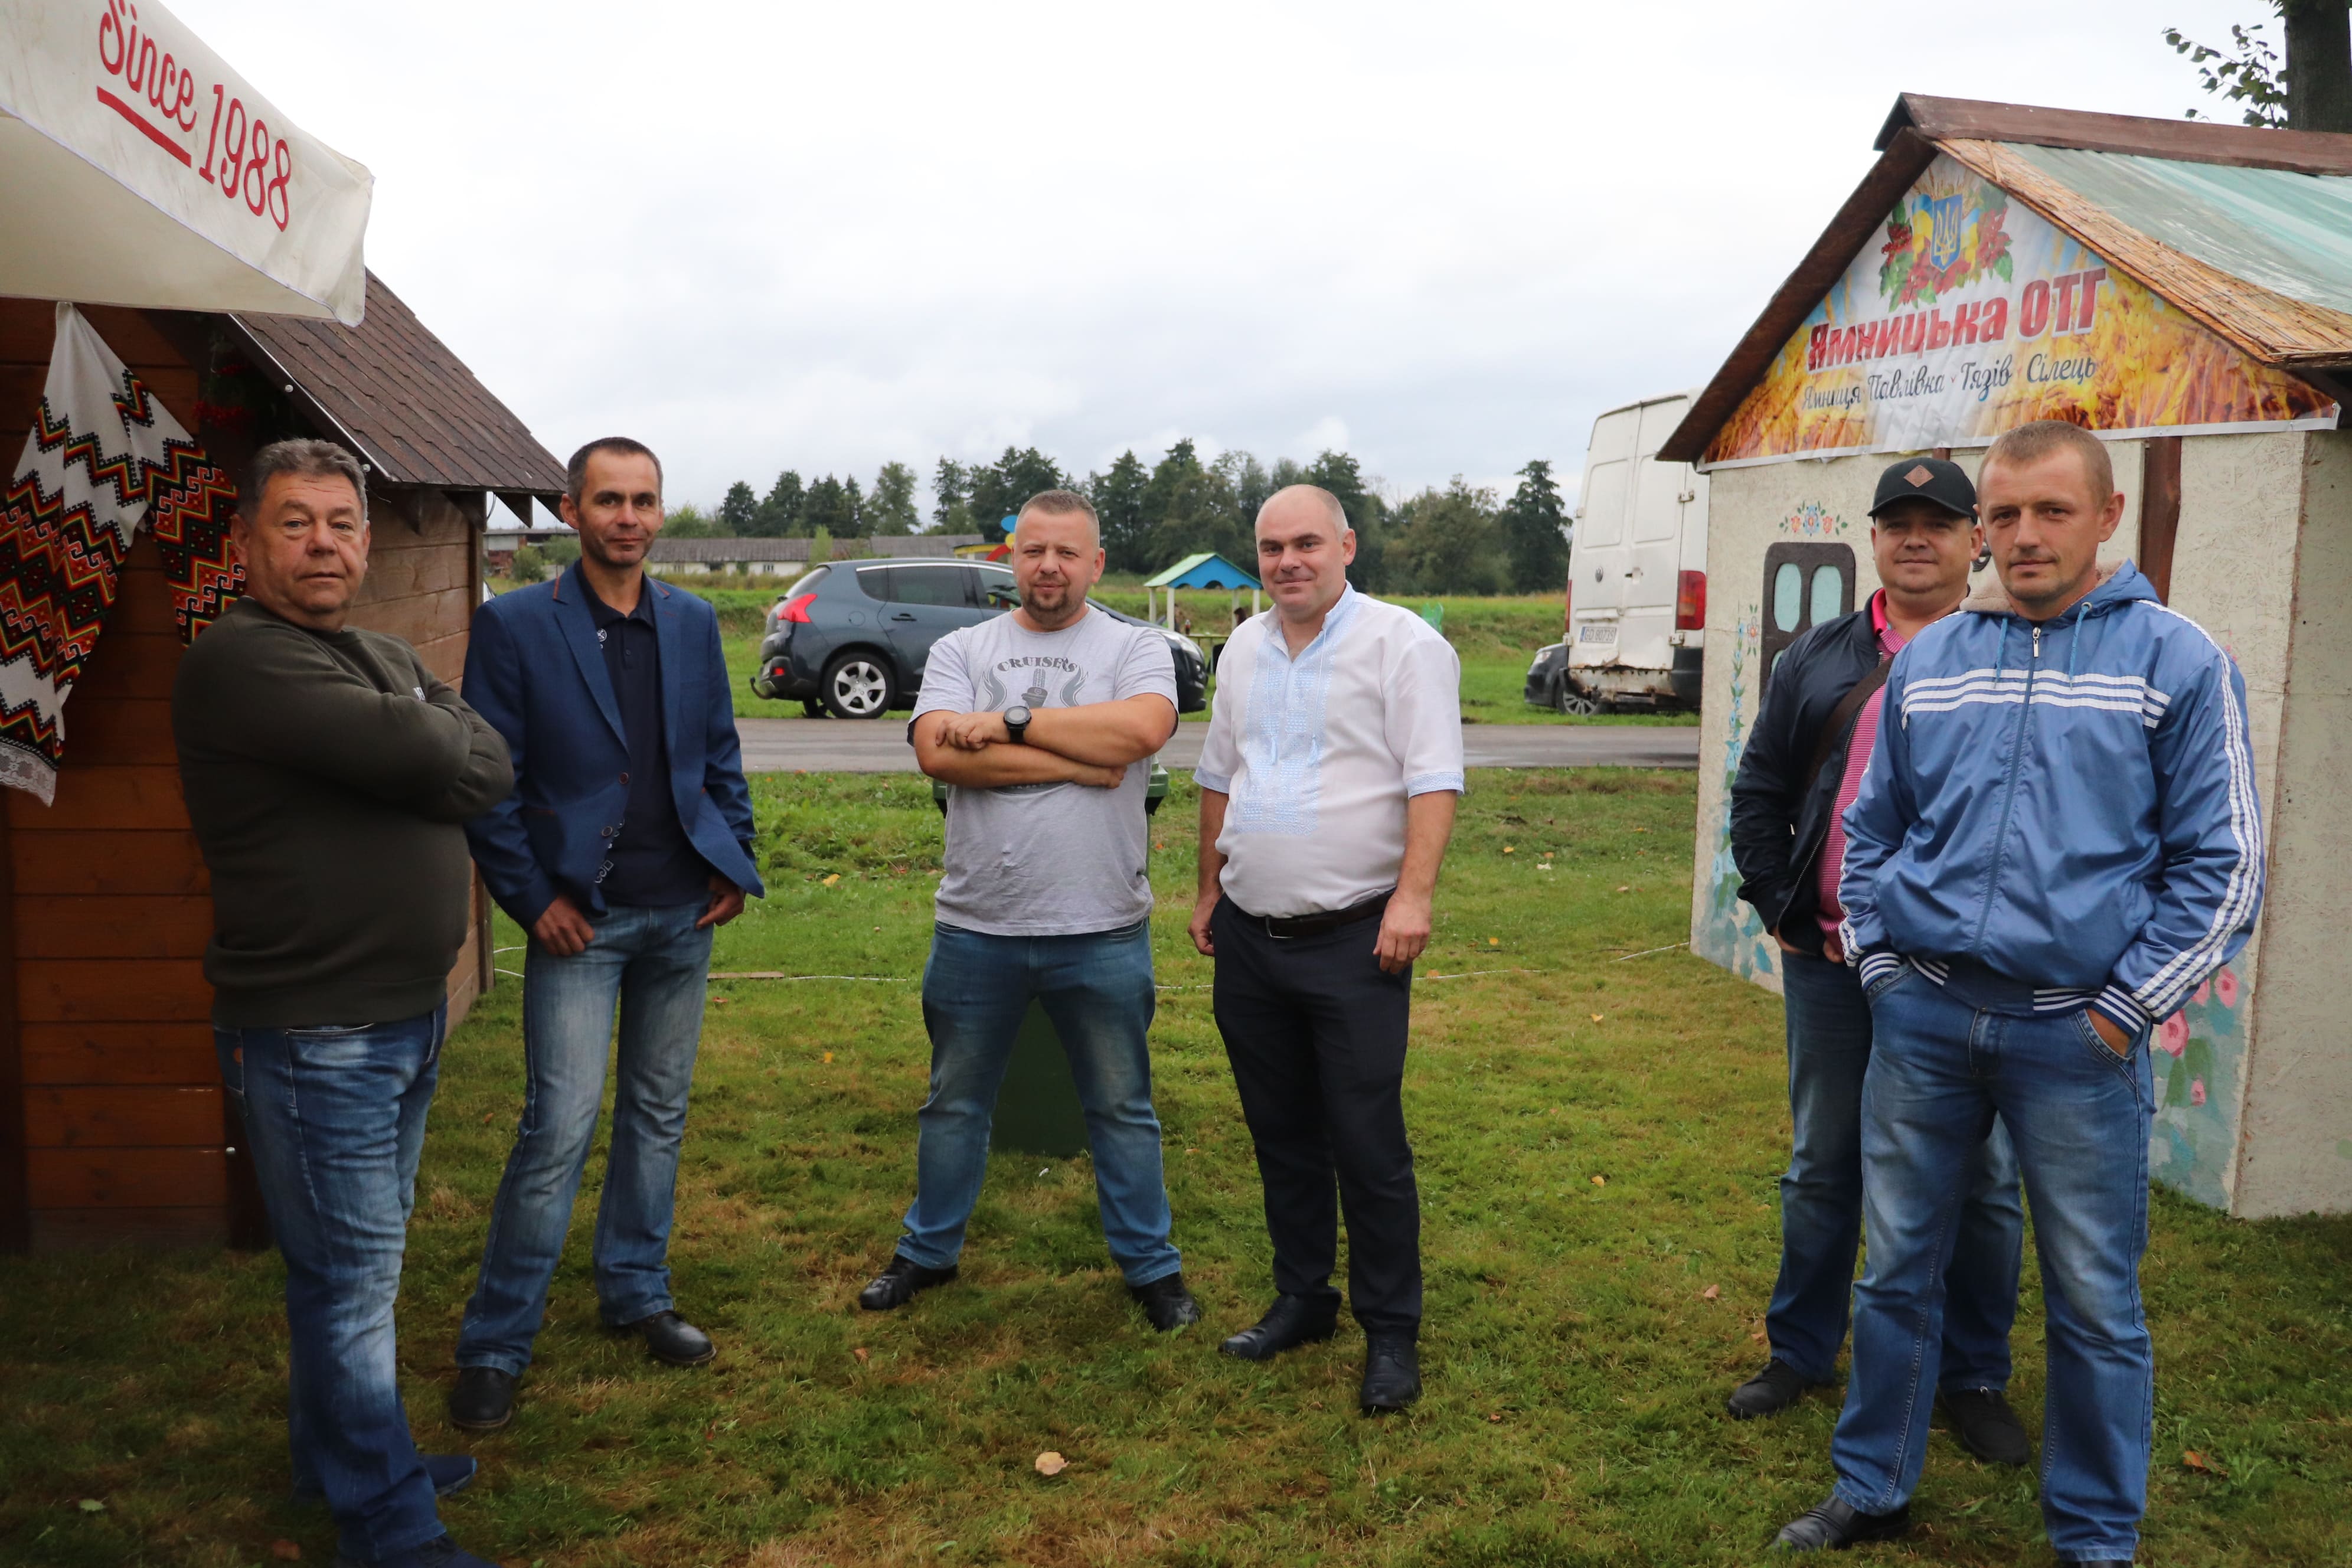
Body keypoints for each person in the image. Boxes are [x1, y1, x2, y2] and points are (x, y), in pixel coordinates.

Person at [1776, 421, 2265, 1562]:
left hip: (2076, 1039)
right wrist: (1884, 969)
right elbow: (1871, 828)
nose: (2025, 534)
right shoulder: (1936, 659)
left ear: (2107, 516)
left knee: (2093, 1299)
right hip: (1925, 1021)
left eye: (2053, 510)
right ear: (1983, 527)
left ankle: (2094, 1536)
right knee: (1897, 1269)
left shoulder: (2177, 661)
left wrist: (2122, 1012)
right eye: (2004, 514)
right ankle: (1873, 1486)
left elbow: (2226, 865)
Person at [174, 439, 514, 1568]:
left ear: (366, 542)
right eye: (295, 522)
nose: (323, 544)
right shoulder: (240, 660)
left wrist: (426, 732)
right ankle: (389, 1526)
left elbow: (484, 762)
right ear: (246, 542)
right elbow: (428, 751)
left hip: (398, 1018)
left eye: (341, 523)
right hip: (315, 1029)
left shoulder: (373, 650)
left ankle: (338, 1462)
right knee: (352, 1283)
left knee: (348, 1272)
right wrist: (424, 733)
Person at [449, 437, 763, 1432]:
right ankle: (496, 1343)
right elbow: (488, 781)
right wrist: (530, 898)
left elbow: (717, 751)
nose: (629, 517)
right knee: (558, 1129)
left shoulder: (692, 621)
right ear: (570, 510)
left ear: (661, 512)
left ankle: (636, 1290)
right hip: (579, 924)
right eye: (610, 500)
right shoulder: (514, 625)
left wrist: (733, 858)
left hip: (683, 915)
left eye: (644, 501)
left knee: (658, 1115)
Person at [1725, 458, 2029, 1464]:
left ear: (1974, 541)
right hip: (1832, 964)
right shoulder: (1818, 657)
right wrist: (1781, 905)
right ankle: (1801, 1351)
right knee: (1824, 1164)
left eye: (1938, 523)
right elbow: (1760, 791)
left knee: (1982, 1179)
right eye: (1898, 522)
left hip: (1963, 975)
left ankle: (1972, 1376)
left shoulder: (2016, 653)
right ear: (1874, 538)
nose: (1916, 539)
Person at [857, 489, 1199, 1331]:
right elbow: (939, 754)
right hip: (978, 927)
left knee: (1122, 1108)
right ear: (1010, 559)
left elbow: (1140, 735)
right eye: (1034, 550)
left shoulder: (1136, 647)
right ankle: (927, 1252)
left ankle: (1151, 1268)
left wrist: (1008, 721)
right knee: (953, 1104)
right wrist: (1079, 761)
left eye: (1067, 552)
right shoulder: (961, 648)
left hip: (1103, 926)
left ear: (1096, 564)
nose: (1050, 567)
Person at [1189, 484, 1462, 1415]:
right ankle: (1304, 1297)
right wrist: (1207, 889)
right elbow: (1219, 774)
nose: (1287, 562)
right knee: (1281, 1135)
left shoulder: (1402, 645)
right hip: (1250, 937)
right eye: (1271, 548)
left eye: (1306, 543)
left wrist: (1413, 897)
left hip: (1356, 939)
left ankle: (1391, 1331)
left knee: (1367, 1144)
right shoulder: (1243, 647)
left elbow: (1433, 779)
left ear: (1347, 546)